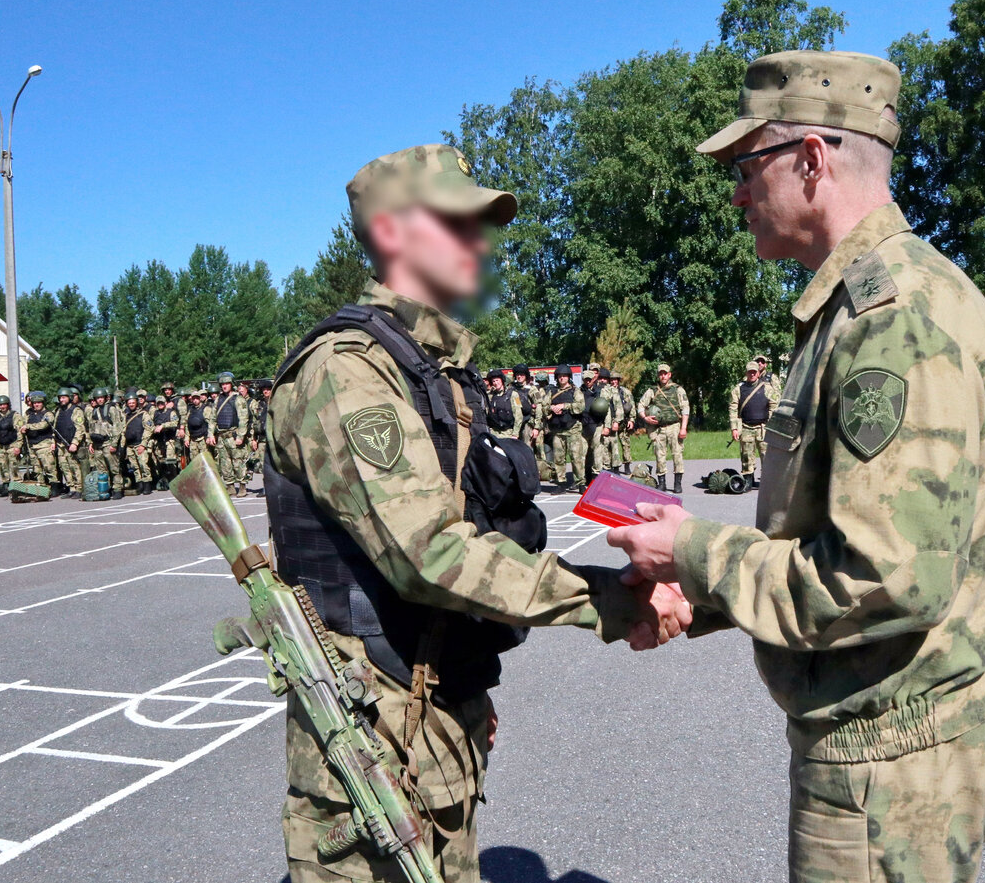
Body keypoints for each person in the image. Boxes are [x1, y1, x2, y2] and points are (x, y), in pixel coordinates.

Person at [608, 50, 985, 883]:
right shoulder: (886, 300)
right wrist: (706, 593)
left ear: (811, 159)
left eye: (746, 165)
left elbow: (885, 576)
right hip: (911, 756)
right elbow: (837, 539)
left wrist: (694, 551)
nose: (735, 191)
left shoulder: (890, 320)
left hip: (885, 774)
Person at [265, 144, 687, 883]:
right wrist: (611, 600)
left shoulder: (432, 370)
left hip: (431, 721)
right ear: (394, 235)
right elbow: (430, 551)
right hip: (368, 748)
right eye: (456, 223)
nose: (479, 243)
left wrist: (464, 679)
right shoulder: (348, 370)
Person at [637, 363, 689, 493]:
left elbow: (685, 409)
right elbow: (641, 405)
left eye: (665, 373)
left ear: (669, 374)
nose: (663, 376)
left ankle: (677, 483)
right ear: (658, 375)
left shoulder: (678, 390)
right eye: (660, 373)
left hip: (674, 427)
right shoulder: (652, 391)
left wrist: (683, 428)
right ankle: (662, 482)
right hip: (658, 429)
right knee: (659, 456)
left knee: (677, 455)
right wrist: (645, 418)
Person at [728, 361, 775, 491]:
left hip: (763, 428)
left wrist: (772, 425)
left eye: (755, 372)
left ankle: (768, 483)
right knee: (746, 457)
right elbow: (733, 408)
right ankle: (748, 481)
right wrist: (734, 428)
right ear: (746, 373)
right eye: (750, 372)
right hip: (746, 427)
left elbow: (773, 406)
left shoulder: (767, 388)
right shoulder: (738, 389)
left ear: (758, 373)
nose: (752, 374)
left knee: (767, 457)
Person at [544, 364, 586, 492]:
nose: (562, 378)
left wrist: (564, 406)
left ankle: (580, 483)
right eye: (560, 376)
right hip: (558, 429)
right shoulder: (552, 392)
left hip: (572, 428)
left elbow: (580, 406)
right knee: (558, 458)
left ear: (569, 377)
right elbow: (544, 407)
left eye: (564, 376)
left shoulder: (575, 391)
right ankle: (561, 483)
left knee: (576, 456)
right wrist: (551, 408)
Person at [209, 371, 250, 496]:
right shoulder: (218, 400)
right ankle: (230, 486)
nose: (224, 386)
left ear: (231, 384)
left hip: (233, 435)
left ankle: (242, 486)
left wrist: (241, 436)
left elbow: (244, 419)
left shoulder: (238, 399)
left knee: (238, 462)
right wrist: (210, 434)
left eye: (227, 383)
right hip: (221, 436)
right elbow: (212, 418)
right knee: (225, 463)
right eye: (222, 384)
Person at [86, 387, 125, 499]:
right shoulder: (94, 411)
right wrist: (90, 443)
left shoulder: (111, 409)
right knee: (101, 469)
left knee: (114, 467)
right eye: (97, 398)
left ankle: (117, 488)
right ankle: (105, 489)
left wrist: (114, 444)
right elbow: (91, 427)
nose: (99, 400)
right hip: (98, 444)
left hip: (108, 442)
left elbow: (117, 427)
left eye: (101, 397)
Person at [53, 387, 87, 499]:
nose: (61, 400)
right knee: (64, 466)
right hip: (61, 444)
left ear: (69, 398)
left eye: (63, 397)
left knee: (74, 466)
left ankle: (79, 488)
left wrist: (75, 443)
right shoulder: (58, 411)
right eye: (60, 398)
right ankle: (71, 487)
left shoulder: (76, 410)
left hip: (71, 443)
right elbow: (55, 427)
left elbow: (80, 429)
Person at [120, 390, 154, 495]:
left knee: (144, 466)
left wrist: (143, 444)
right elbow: (123, 431)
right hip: (130, 446)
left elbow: (149, 429)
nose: (131, 404)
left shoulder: (143, 414)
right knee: (135, 467)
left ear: (136, 402)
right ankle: (139, 485)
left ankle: (147, 485)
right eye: (129, 403)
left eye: (133, 402)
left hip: (140, 444)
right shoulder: (125, 416)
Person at [22, 391, 59, 488]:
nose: (37, 405)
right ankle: (41, 487)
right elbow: (22, 424)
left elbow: (43, 425)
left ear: (43, 403)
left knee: (49, 468)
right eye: (35, 403)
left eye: (39, 403)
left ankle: (54, 486)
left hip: (44, 445)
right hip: (32, 445)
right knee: (36, 470)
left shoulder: (48, 414)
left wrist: (28, 426)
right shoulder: (29, 414)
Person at [0, 395, 25, 487]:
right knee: (2, 465)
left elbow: (19, 432)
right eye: (0, 405)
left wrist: (18, 446)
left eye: (4, 405)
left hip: (13, 444)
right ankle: (5, 484)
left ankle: (17, 484)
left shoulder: (15, 416)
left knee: (14, 465)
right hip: (1, 446)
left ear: (8, 405)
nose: (2, 407)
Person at [150, 394, 180, 489]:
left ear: (165, 403)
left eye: (162, 403)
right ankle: (164, 480)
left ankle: (173, 480)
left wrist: (163, 426)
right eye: (158, 403)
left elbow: (175, 423)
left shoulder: (171, 412)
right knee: (160, 461)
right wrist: (154, 428)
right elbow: (150, 424)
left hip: (169, 439)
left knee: (170, 460)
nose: (160, 405)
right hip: (159, 441)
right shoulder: (154, 413)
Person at [484, 369, 522, 439]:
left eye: (497, 380)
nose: (496, 383)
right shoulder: (489, 396)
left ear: (502, 380)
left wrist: (515, 434)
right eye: (493, 381)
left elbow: (519, 415)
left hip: (508, 432)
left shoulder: (514, 395)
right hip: (493, 432)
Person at [609, 371, 635, 475]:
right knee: (612, 446)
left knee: (626, 444)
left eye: (616, 379)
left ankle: (627, 465)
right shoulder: (607, 391)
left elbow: (632, 406)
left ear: (619, 381)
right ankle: (614, 466)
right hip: (612, 422)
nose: (614, 382)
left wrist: (632, 420)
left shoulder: (625, 392)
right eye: (612, 380)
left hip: (624, 422)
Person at [184, 389, 213, 460]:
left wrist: (209, 436)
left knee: (205, 460)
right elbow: (187, 425)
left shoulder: (206, 409)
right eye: (193, 398)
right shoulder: (190, 410)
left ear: (200, 398)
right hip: (193, 439)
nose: (195, 400)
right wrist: (187, 438)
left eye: (197, 398)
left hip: (203, 438)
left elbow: (210, 423)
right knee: (194, 460)